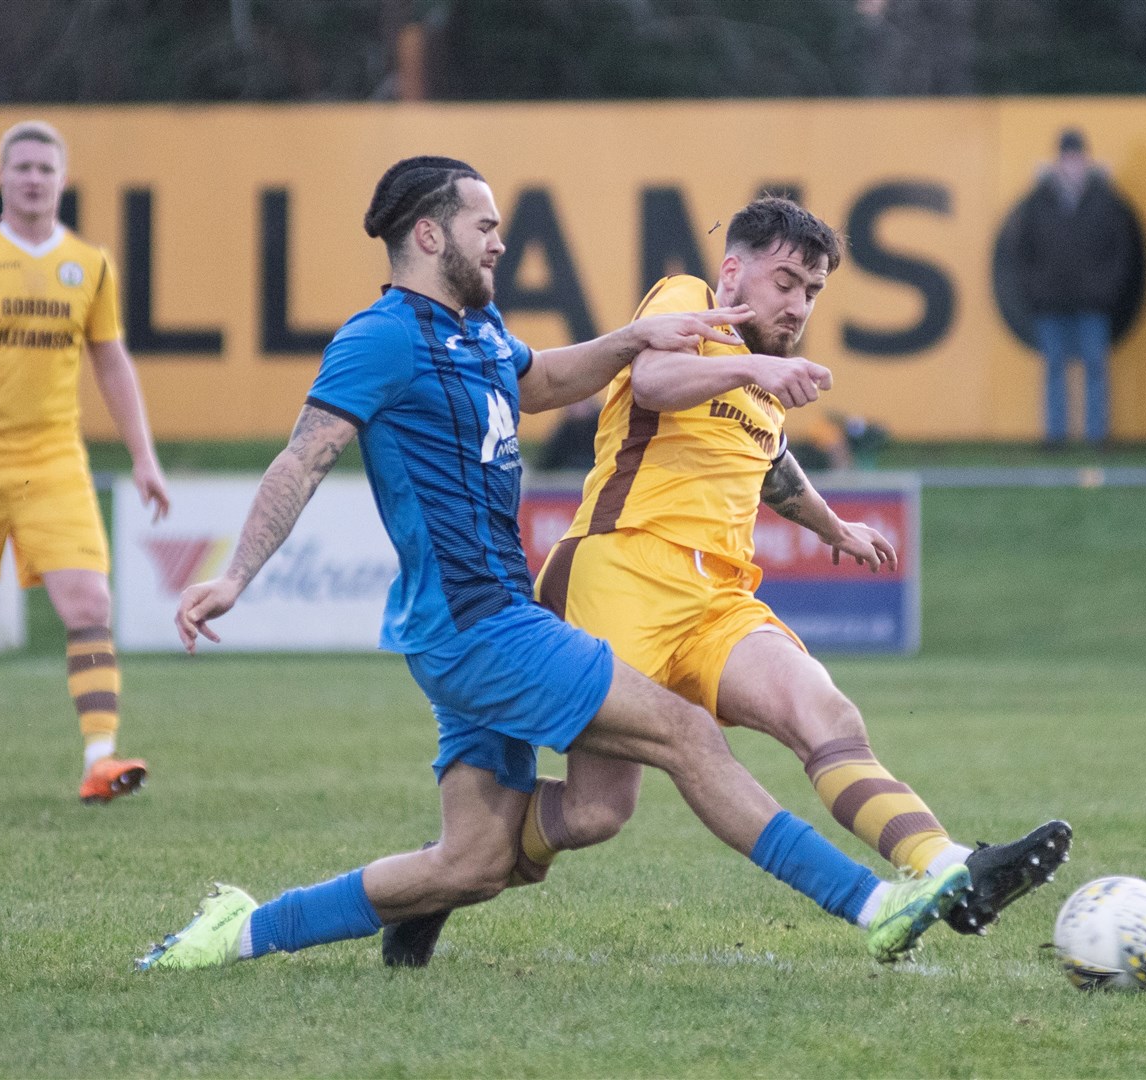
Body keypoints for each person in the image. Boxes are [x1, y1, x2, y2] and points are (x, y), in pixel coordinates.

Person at [137, 158, 971, 973]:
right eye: (485, 226)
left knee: (470, 861)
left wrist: (633, 338)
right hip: (478, 627)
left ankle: (239, 931)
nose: (501, 243)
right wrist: (235, 576)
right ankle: (872, 905)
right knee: (686, 734)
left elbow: (540, 383)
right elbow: (303, 457)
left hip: (490, 619)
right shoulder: (381, 338)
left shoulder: (480, 334)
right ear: (428, 234)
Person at [380, 196, 1071, 969]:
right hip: (621, 575)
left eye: (812, 292)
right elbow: (651, 379)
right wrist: (754, 363)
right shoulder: (690, 304)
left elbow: (768, 458)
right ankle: (437, 882)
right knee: (599, 809)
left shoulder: (758, 384)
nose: (798, 305)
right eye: (785, 282)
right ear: (734, 269)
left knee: (825, 712)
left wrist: (831, 526)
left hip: (716, 599)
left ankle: (948, 872)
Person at [0, 120, 169, 805]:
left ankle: (100, 759)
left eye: (46, 168)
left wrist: (143, 456)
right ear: (3, 177)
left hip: (53, 459)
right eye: (23, 168)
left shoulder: (89, 264)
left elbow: (111, 361)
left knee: (89, 602)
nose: (35, 179)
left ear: (62, 180)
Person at [1013, 128, 1136, 447]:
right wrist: (1035, 288)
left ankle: (1097, 435)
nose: (1072, 165)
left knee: (1095, 367)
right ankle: (1056, 435)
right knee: (1054, 369)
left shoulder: (1104, 200)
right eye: (1067, 158)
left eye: (1077, 158)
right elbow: (1023, 250)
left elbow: (1121, 250)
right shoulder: (1038, 200)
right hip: (1051, 301)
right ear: (1058, 162)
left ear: (1086, 161)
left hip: (1093, 301)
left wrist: (1107, 288)